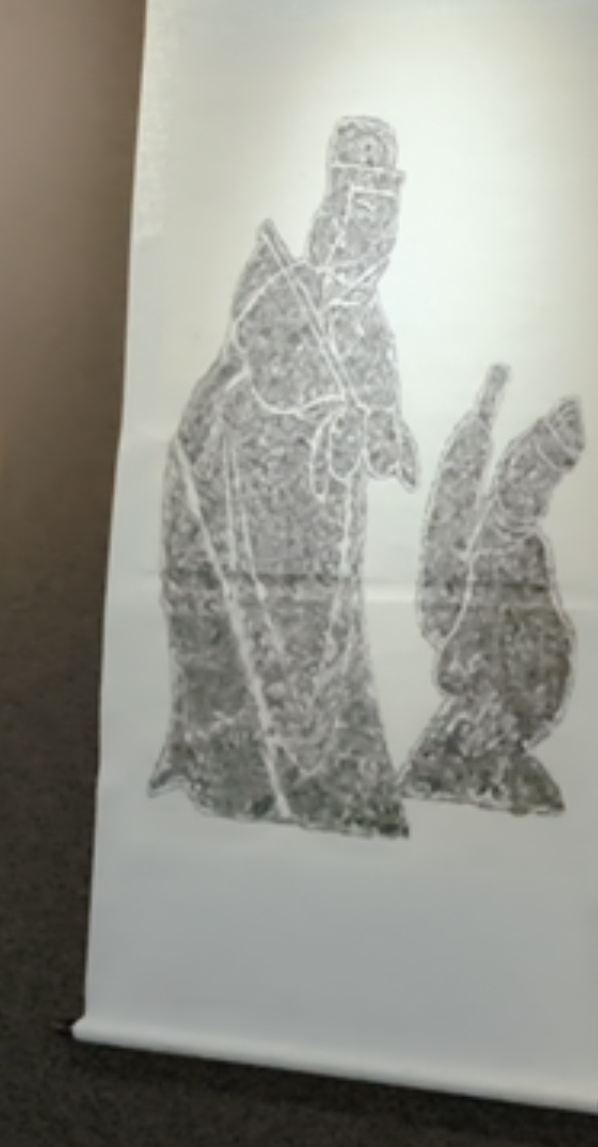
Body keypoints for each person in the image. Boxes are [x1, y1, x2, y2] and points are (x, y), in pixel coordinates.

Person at [152, 117, 420, 837]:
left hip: (321, 523)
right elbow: (266, 385)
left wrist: (383, 435)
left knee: (323, 645)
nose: (370, 239)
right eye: (359, 217)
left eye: (383, 221)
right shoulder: (275, 287)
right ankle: (240, 770)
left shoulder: (368, 323)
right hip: (238, 505)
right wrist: (332, 421)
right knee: (248, 643)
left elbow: (376, 404)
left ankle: (324, 771)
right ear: (333, 213)